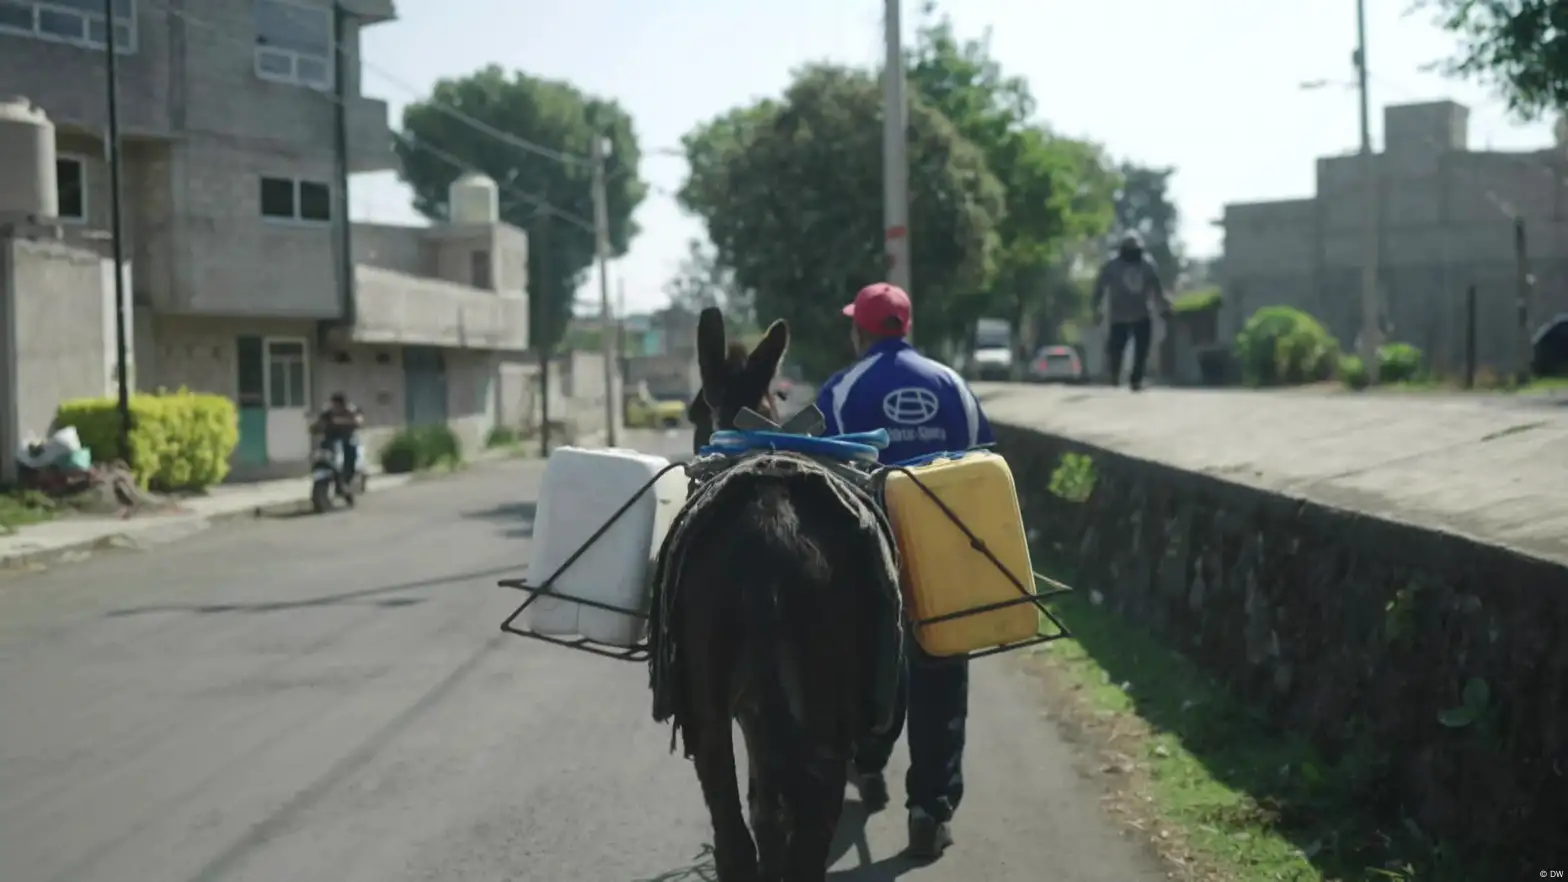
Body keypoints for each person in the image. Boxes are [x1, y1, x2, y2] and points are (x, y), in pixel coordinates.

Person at [813, 281, 995, 861]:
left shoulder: (842, 391)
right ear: (905, 326)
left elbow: (818, 480)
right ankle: (930, 812)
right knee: (941, 676)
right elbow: (983, 467)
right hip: (944, 560)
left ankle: (866, 763)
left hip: (869, 561)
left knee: (872, 670)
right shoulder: (955, 387)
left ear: (859, 330)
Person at [1092, 232, 1173, 391]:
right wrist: (1097, 308)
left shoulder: (1147, 265)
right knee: (1116, 349)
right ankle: (1115, 374)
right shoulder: (1113, 265)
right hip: (1119, 315)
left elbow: (1156, 289)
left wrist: (1164, 306)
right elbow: (1100, 288)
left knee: (1142, 350)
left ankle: (1136, 379)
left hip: (1141, 313)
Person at [312, 392, 364, 482]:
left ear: (343, 404)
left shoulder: (351, 410)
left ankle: (348, 474)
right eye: (334, 404)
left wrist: (341, 422)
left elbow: (359, 421)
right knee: (322, 450)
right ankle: (322, 471)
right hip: (330, 439)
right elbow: (318, 424)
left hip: (347, 438)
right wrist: (316, 427)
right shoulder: (327, 412)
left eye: (338, 405)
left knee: (351, 447)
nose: (336, 408)